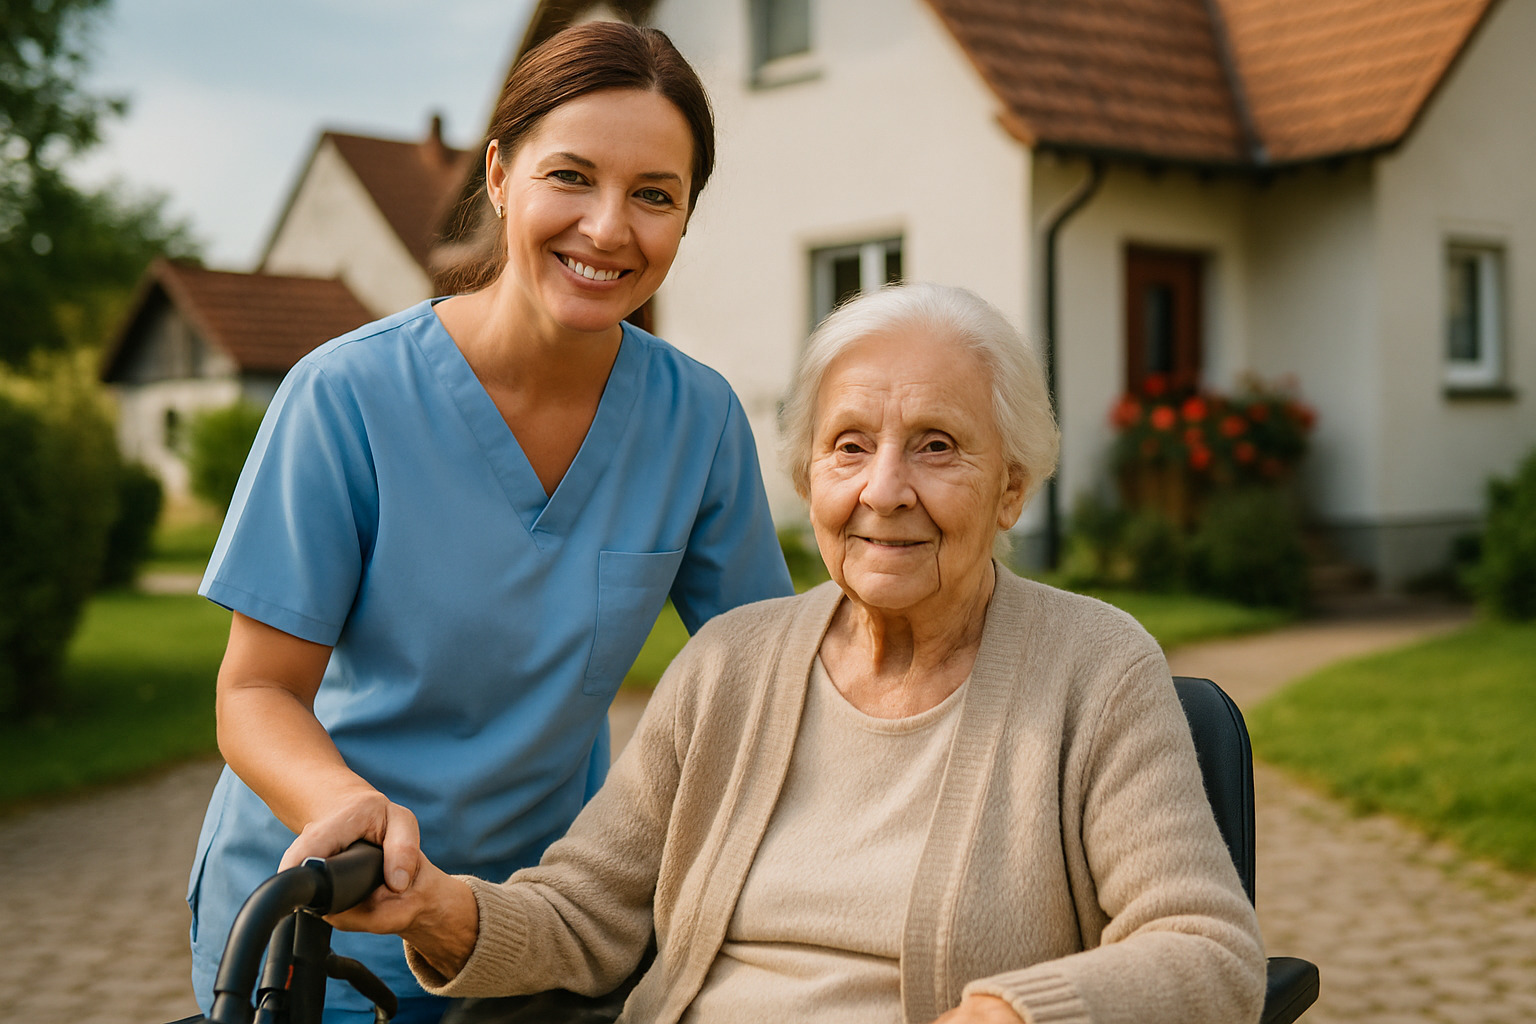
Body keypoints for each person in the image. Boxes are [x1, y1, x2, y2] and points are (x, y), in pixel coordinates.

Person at [311, 283, 1267, 1024]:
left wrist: (1013, 1008)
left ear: (1011, 488)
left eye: (936, 446)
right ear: (810, 474)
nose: (884, 490)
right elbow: (584, 915)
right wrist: (439, 907)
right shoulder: (730, 663)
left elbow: (1210, 950)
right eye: (849, 446)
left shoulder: (1095, 668)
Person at [188, 21, 793, 1024]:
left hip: (530, 932)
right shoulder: (346, 396)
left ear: (686, 218)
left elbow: (776, 673)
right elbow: (255, 690)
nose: (609, 228)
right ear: (502, 174)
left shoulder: (698, 419)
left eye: (655, 194)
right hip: (329, 920)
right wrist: (339, 808)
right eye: (572, 177)